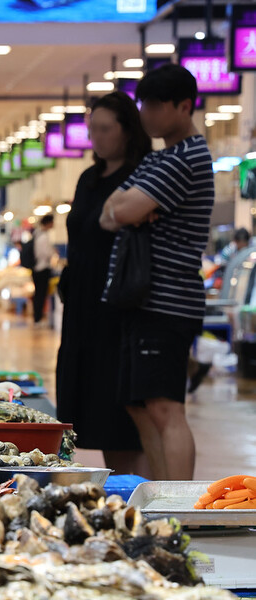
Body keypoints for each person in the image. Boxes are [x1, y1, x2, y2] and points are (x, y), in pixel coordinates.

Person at [99, 64, 215, 481]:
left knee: (166, 408)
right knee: (141, 406)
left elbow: (123, 209)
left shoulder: (186, 157)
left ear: (184, 106)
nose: (146, 113)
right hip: (143, 300)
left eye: (155, 105)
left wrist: (129, 208)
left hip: (168, 300)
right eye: (142, 103)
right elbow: (108, 214)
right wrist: (126, 209)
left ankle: (183, 507)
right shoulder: (161, 158)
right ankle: (163, 497)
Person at [56, 92, 153, 477]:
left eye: (104, 128)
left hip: (117, 307)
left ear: (127, 130)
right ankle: (123, 492)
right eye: (91, 128)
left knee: (119, 421)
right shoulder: (88, 178)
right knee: (86, 409)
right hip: (81, 307)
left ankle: (137, 494)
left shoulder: (140, 178)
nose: (95, 137)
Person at [31, 215, 55, 325]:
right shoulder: (44, 237)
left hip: (36, 268)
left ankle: (37, 317)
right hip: (42, 268)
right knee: (41, 294)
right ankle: (38, 318)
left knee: (38, 294)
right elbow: (46, 253)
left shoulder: (37, 234)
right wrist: (53, 252)